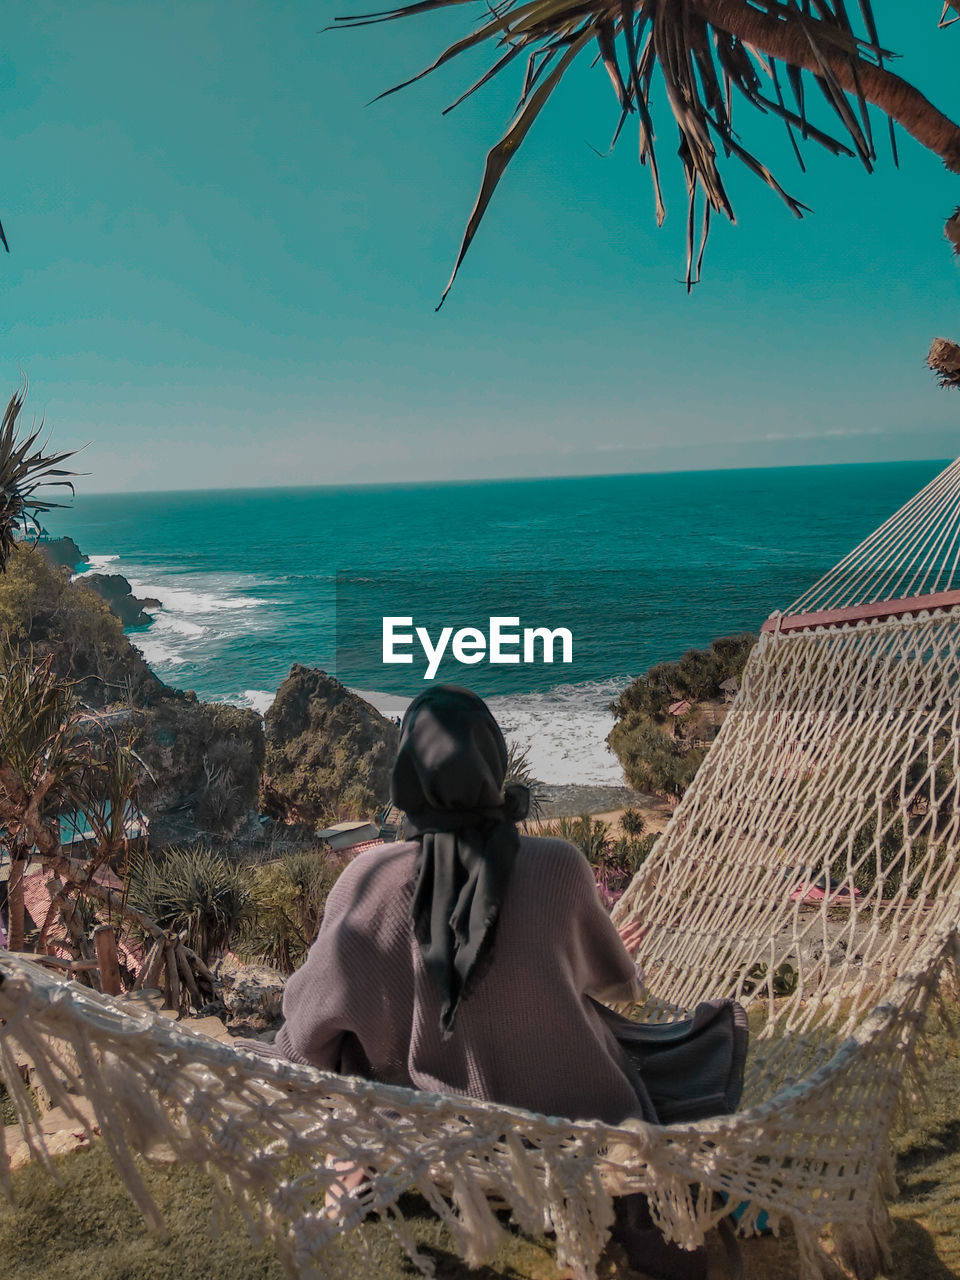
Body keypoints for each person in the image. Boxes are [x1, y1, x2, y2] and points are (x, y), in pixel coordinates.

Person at [262, 684, 704, 1279]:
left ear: (407, 777)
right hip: (579, 1121)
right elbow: (623, 988)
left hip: (430, 1127)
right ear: (494, 764)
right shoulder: (558, 865)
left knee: (346, 1035)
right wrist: (571, 956)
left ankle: (352, 1166)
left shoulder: (369, 880)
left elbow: (303, 1032)